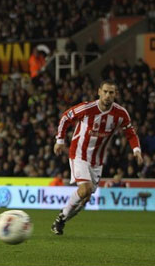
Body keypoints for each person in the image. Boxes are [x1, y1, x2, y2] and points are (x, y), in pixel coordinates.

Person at [51, 79, 143, 235]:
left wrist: (136, 150)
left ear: (116, 94)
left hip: (97, 160)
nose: (107, 95)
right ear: (99, 92)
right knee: (85, 189)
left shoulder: (120, 114)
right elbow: (66, 117)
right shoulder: (87, 108)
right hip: (79, 154)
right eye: (105, 92)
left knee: (86, 197)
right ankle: (60, 219)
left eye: (111, 93)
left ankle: (62, 220)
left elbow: (130, 133)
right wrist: (59, 140)